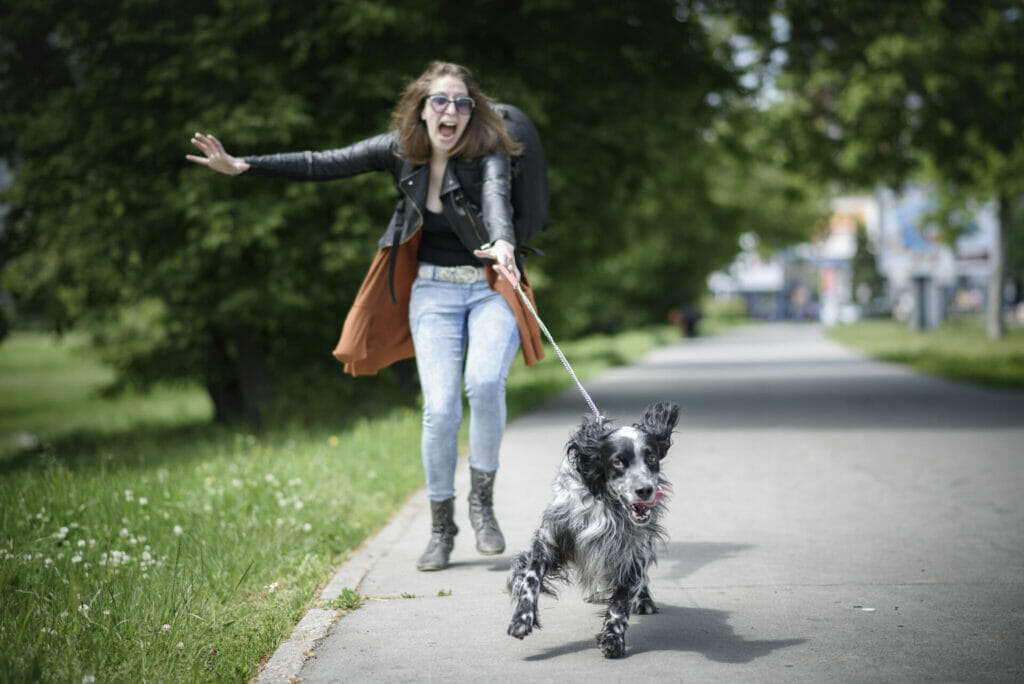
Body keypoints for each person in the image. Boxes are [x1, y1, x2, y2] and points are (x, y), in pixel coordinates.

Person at [187, 61, 543, 571]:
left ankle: (481, 504)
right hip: (433, 292)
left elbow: (496, 197)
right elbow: (322, 162)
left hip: (489, 287)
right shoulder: (397, 150)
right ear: (421, 109)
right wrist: (245, 165)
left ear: (473, 112)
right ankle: (442, 528)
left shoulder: (487, 152)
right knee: (440, 408)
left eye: (462, 103)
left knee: (485, 385)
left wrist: (504, 240)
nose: (452, 111)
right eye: (440, 101)